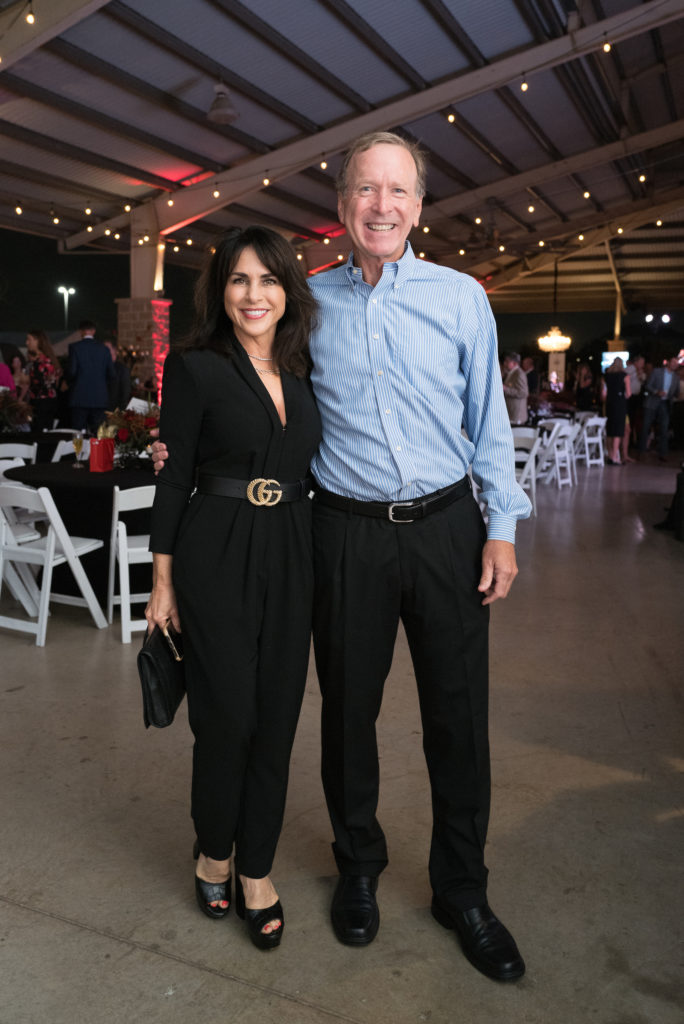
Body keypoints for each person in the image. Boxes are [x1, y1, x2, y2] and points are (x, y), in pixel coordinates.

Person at [153, 132, 531, 982]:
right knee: (347, 716)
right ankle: (357, 866)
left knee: (457, 720)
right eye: (366, 189)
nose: (383, 206)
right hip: (343, 533)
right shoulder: (309, 304)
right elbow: (246, 381)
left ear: (420, 204)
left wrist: (502, 524)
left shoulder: (462, 297)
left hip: (446, 529)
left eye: (398, 190)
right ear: (343, 206)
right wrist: (184, 460)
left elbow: (489, 423)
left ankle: (461, 890)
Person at [145, 227, 321, 951]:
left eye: (268, 280)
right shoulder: (194, 365)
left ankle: (256, 867)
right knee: (227, 717)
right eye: (239, 280)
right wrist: (162, 581)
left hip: (293, 550)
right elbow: (174, 471)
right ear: (220, 290)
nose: (254, 295)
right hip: (214, 548)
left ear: (288, 291)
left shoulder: (305, 366)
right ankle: (214, 849)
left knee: (277, 716)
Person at [66, 319, 113, 432]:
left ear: (81, 331)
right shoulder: (104, 349)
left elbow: (72, 372)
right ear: (93, 331)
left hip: (79, 397)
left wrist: (68, 382)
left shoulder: (75, 347)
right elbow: (111, 373)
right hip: (99, 398)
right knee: (99, 433)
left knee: (78, 433)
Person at [638, 356, 680, 461]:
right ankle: (642, 450)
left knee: (664, 428)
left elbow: (676, 392)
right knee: (646, 427)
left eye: (676, 363)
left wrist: (674, 395)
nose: (675, 365)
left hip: (665, 404)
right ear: (668, 363)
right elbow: (648, 386)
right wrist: (657, 392)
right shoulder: (657, 372)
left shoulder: (676, 377)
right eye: (673, 362)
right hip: (652, 403)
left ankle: (663, 453)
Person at [25, 330, 61, 431]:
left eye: (29, 339)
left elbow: (40, 384)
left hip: (42, 404)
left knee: (40, 434)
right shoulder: (47, 359)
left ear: (37, 341)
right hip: (45, 402)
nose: (27, 342)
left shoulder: (43, 361)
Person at [602, 357, 631, 464]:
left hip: (609, 404)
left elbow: (603, 394)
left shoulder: (606, 376)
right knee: (618, 431)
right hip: (620, 405)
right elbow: (628, 393)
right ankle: (615, 456)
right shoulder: (625, 376)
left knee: (610, 430)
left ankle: (609, 455)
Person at [104, 337, 132, 411]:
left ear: (114, 350)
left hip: (114, 410)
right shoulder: (100, 367)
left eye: (107, 348)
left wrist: (120, 410)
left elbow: (125, 392)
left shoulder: (122, 369)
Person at [501, 351, 529, 425]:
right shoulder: (512, 373)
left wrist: (505, 389)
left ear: (515, 363)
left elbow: (524, 393)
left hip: (516, 415)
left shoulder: (519, 374)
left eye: (507, 361)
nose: (505, 363)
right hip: (511, 413)